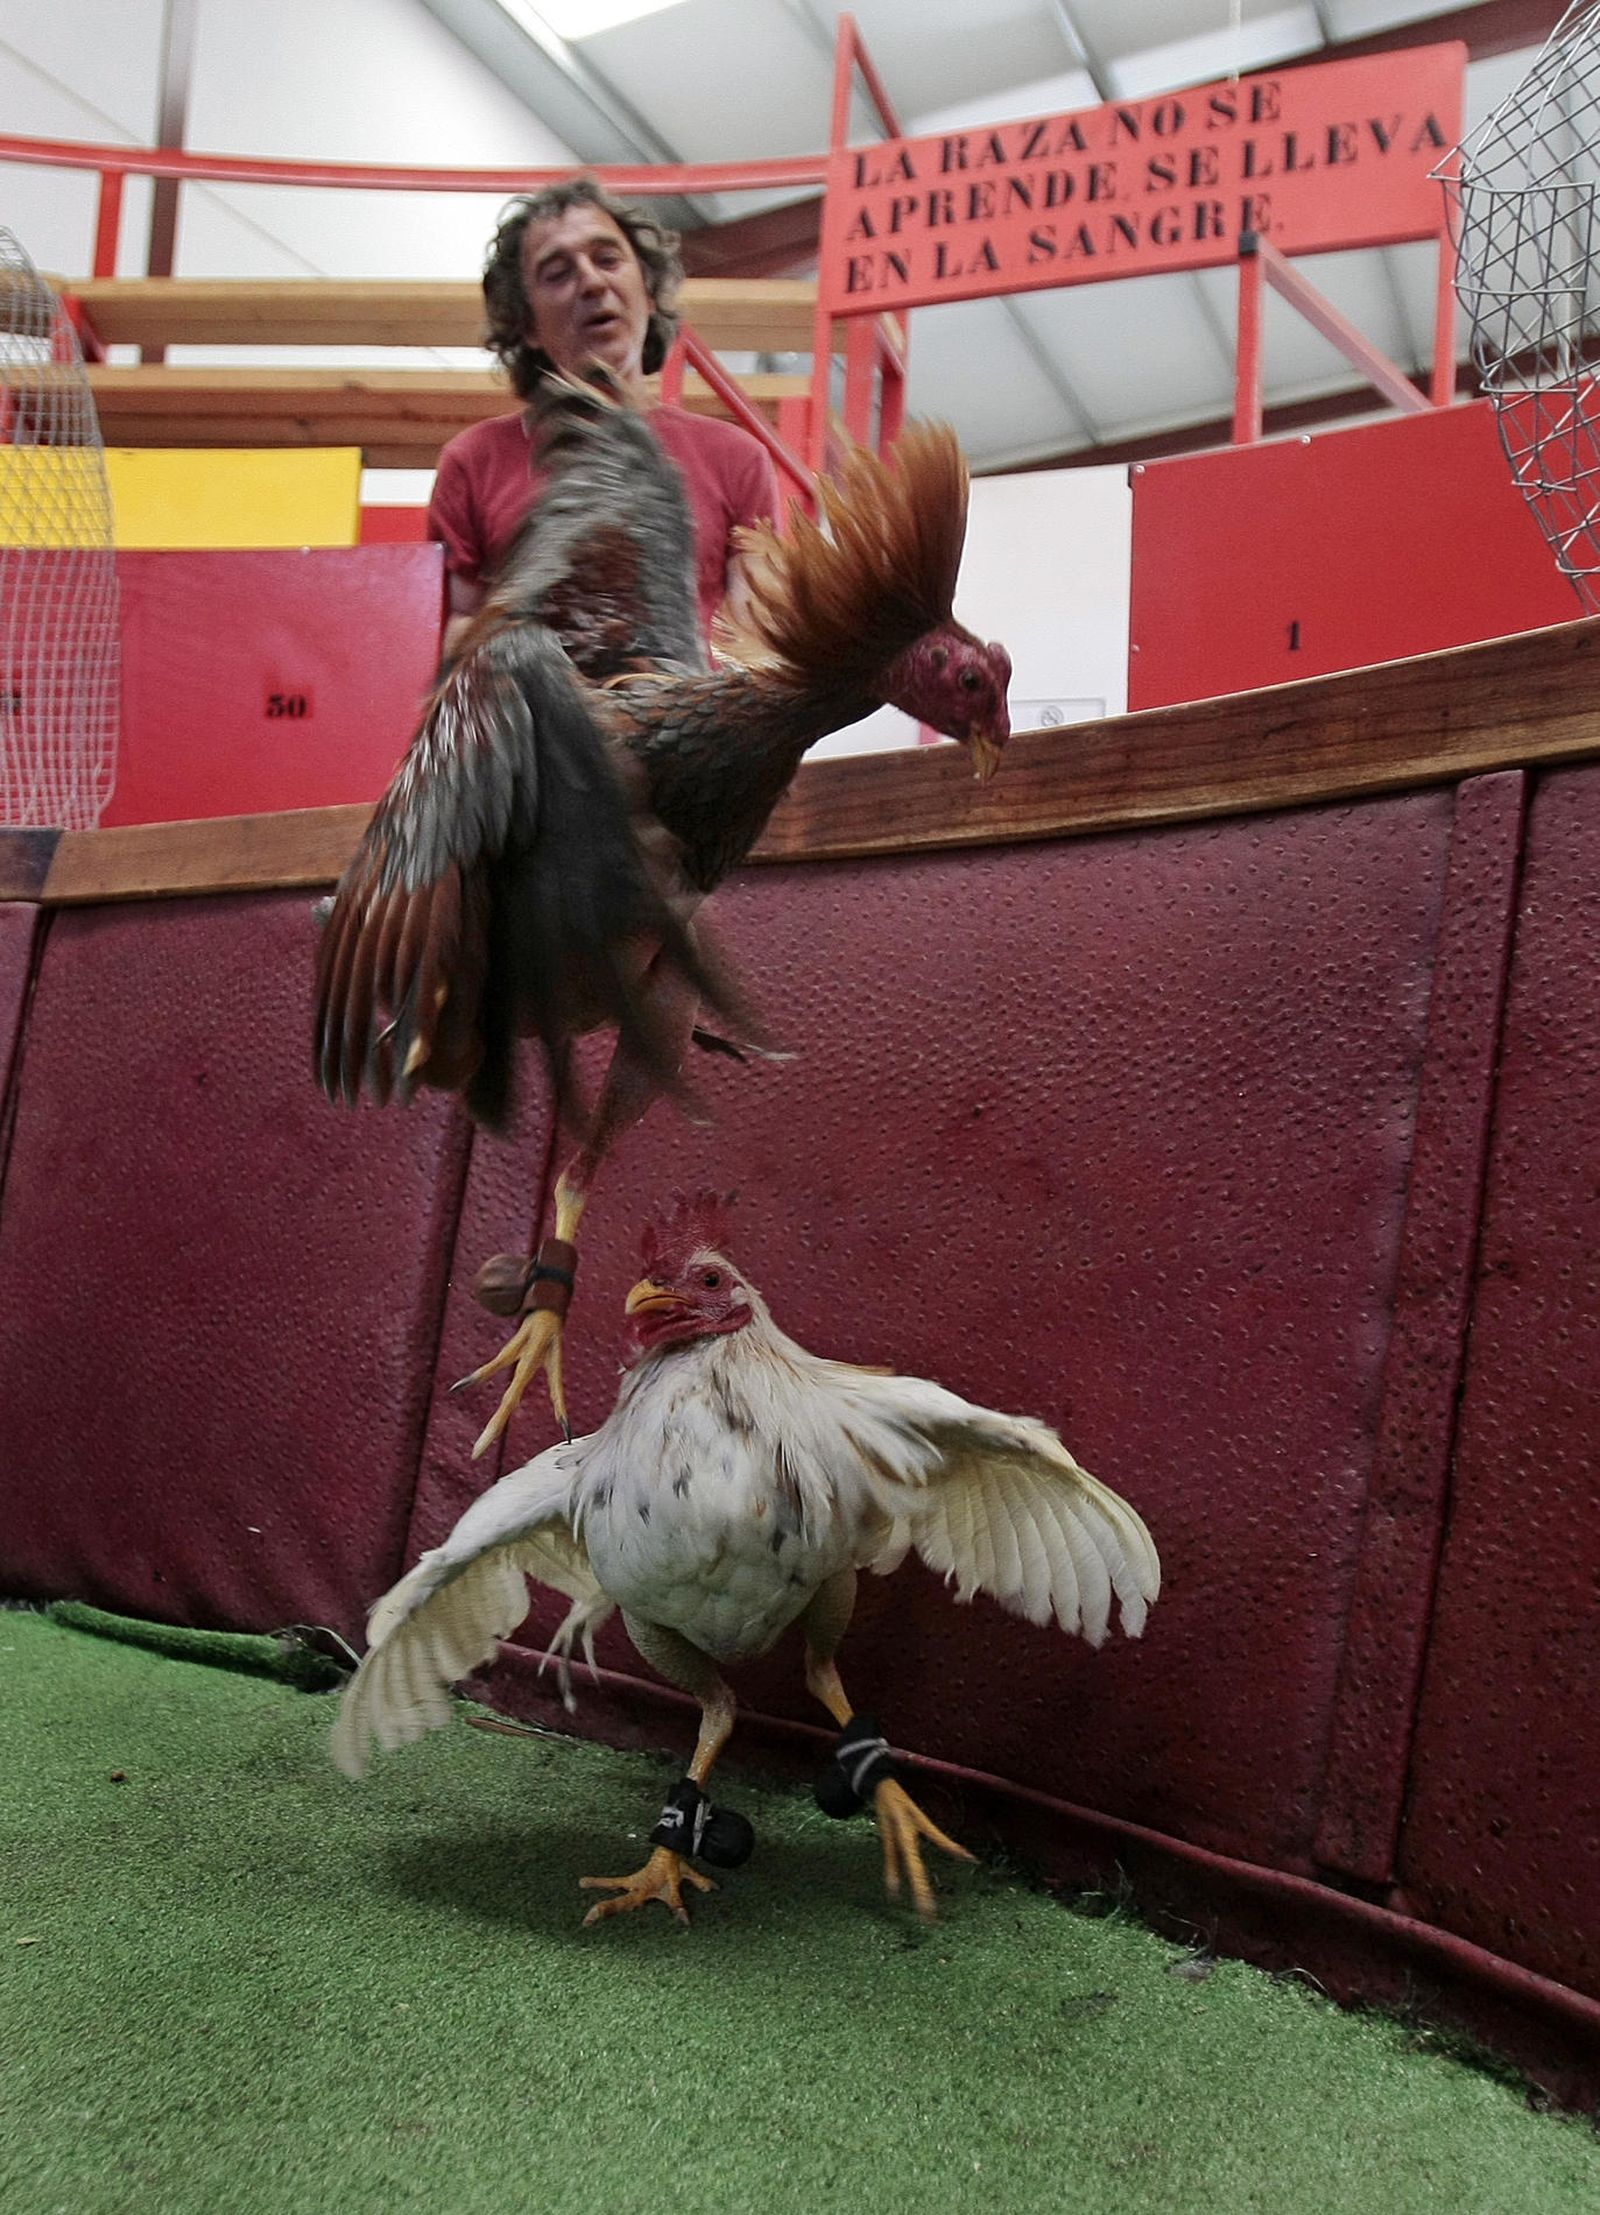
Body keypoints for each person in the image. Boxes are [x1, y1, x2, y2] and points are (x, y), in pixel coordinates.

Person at [429, 177, 778, 663]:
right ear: (527, 325)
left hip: (692, 725)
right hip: (541, 731)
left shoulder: (736, 458)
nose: (592, 283)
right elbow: (453, 634)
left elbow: (758, 645)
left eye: (608, 259)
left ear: (649, 292)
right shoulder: (473, 461)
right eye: (557, 273)